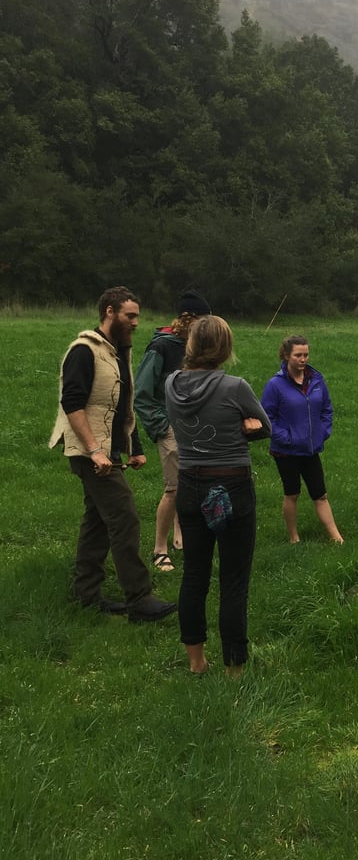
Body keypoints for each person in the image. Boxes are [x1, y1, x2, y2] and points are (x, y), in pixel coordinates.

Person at [49, 287, 178, 623]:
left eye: (137, 316)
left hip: (109, 450)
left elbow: (121, 403)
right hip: (88, 451)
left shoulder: (119, 350)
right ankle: (139, 598)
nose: (136, 322)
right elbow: (72, 403)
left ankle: (86, 592)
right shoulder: (84, 350)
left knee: (97, 521)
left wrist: (132, 447)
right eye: (130, 316)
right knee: (124, 517)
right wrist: (94, 450)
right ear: (109, 311)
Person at [165, 315, 271, 676]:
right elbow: (265, 428)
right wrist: (244, 427)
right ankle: (234, 668)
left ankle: (196, 662)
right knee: (234, 579)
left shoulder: (171, 384)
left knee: (194, 575)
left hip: (190, 487)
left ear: (191, 346)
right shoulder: (235, 387)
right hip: (231, 487)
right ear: (225, 348)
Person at [134, 289, 212, 572]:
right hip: (169, 428)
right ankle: (159, 549)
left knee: (191, 485)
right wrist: (162, 427)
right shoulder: (161, 348)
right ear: (191, 320)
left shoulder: (198, 349)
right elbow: (141, 393)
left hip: (195, 427)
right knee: (174, 488)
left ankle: (181, 534)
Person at [261, 335, 345, 543]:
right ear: (287, 355)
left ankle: (336, 538)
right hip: (286, 451)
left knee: (320, 494)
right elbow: (266, 418)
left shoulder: (316, 380)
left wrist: (322, 432)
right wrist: (287, 438)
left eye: (306, 355)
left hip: (311, 448)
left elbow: (326, 409)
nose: (303, 359)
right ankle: (294, 537)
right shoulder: (275, 385)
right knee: (292, 493)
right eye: (298, 355)